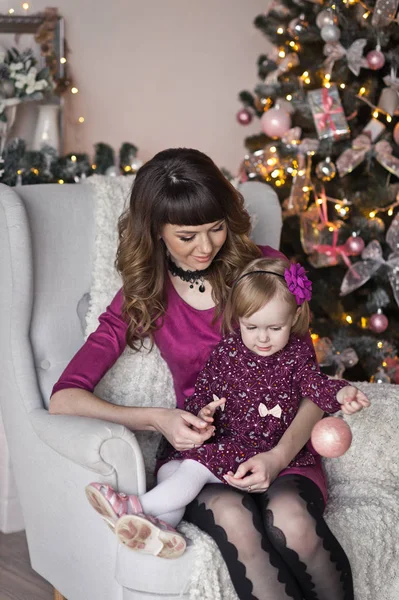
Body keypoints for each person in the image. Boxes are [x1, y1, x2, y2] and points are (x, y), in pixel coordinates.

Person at [50, 148, 357, 599]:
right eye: (188, 235)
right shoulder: (144, 295)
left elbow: (309, 385)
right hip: (205, 457)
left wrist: (276, 458)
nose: (206, 247)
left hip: (284, 445)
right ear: (156, 230)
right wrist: (157, 418)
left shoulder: (266, 271)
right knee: (238, 523)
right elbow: (65, 399)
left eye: (216, 228)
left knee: (293, 523)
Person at [86, 257, 369, 565]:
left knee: (193, 469)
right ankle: (163, 530)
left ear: (295, 316)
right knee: (173, 470)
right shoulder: (228, 351)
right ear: (238, 318)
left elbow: (316, 385)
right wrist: (205, 412)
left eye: (275, 328)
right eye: (252, 326)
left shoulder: (297, 354)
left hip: (251, 449)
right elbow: (205, 393)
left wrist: (342, 392)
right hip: (221, 439)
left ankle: (135, 507)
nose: (263, 338)